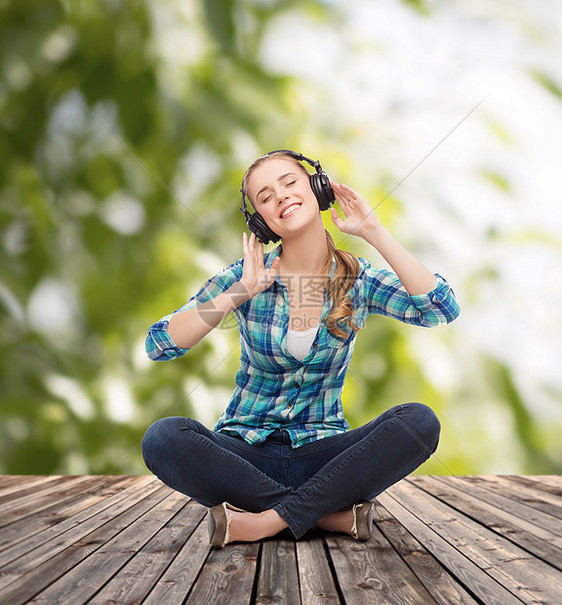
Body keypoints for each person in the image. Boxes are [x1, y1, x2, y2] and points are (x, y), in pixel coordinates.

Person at [142, 149, 460, 548]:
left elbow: (440, 309)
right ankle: (323, 515)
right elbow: (160, 344)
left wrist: (374, 232)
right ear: (261, 219)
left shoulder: (358, 280)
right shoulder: (247, 276)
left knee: (419, 423)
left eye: (289, 183)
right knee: (162, 438)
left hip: (322, 456)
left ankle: (265, 521)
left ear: (317, 189)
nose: (280, 196)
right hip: (243, 455)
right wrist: (241, 293)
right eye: (264, 196)